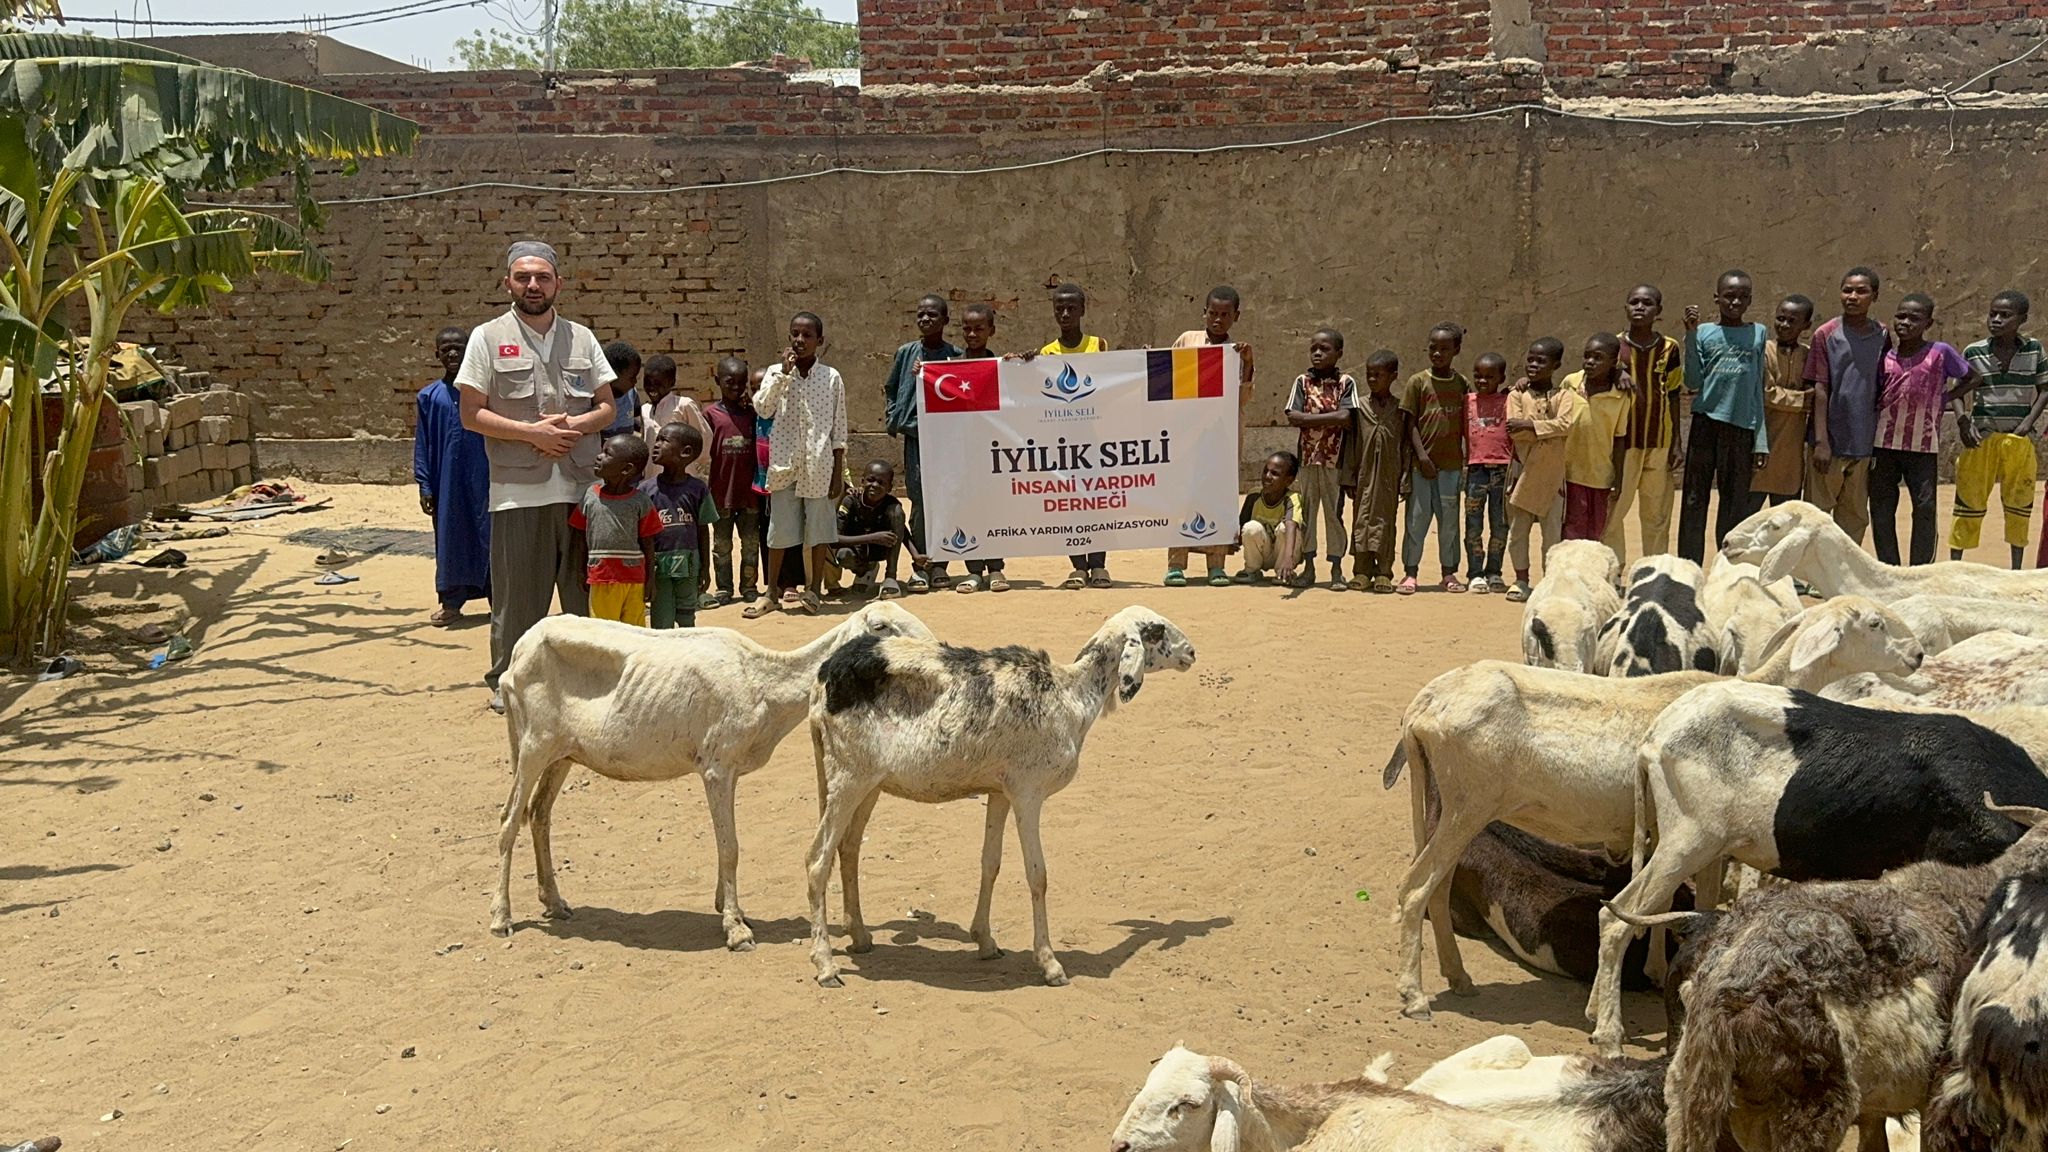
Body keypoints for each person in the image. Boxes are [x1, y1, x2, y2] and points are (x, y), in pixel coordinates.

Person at [456, 239, 619, 713]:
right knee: (517, 599)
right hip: (516, 490)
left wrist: (573, 426)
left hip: (579, 487)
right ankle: (508, 682)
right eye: (523, 277)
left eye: (542, 277)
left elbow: (606, 407)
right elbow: (471, 413)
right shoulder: (487, 338)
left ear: (558, 284)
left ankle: (588, 679)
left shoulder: (582, 338)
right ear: (507, 281)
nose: (533, 285)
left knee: (581, 592)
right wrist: (532, 435)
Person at [747, 311, 847, 618]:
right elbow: (763, 409)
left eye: (807, 335)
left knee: (817, 529)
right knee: (780, 530)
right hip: (784, 464)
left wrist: (838, 473)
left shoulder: (831, 378)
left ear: (820, 341)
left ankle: (813, 590)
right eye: (795, 334)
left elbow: (839, 427)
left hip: (819, 465)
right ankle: (771, 593)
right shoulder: (777, 374)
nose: (800, 341)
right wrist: (782, 375)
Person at [1870, 293, 1974, 567]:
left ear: (1928, 323)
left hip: (1923, 444)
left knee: (1925, 508)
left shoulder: (1940, 353)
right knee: (1881, 508)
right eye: (1901, 316)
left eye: (1914, 319)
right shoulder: (1884, 357)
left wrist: (1946, 399)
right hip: (1883, 444)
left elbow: (1973, 377)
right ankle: (1888, 565)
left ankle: (1921, 568)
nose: (1905, 323)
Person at [1678, 270, 1772, 563]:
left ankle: (1727, 565)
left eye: (1742, 297)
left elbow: (1757, 388)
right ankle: (1689, 564)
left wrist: (1761, 440)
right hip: (1706, 423)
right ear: (1717, 298)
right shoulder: (1703, 332)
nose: (1735, 302)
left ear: (1750, 300)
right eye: (1729, 296)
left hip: (1742, 427)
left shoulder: (1758, 332)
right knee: (1694, 497)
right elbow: (1693, 380)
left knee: (1734, 503)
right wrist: (1691, 334)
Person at [1165, 285, 1256, 586]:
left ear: (1235, 317)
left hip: (1221, 439)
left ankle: (1216, 564)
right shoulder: (1187, 341)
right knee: (1183, 498)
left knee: (1217, 499)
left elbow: (1242, 399)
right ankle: (1176, 564)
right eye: (1213, 313)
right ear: (1204, 313)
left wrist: (1248, 364)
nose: (1217, 320)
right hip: (1187, 438)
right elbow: (1169, 380)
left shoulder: (1237, 353)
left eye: (1224, 315)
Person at [1952, 291, 2048, 568]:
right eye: (1992, 313)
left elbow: (2044, 389)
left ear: (2022, 320)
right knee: (1968, 502)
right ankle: (1957, 567)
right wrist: (1962, 422)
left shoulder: (2034, 350)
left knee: (2019, 504)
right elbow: (1957, 392)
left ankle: (2015, 570)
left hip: (2018, 439)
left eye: (2005, 315)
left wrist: (2027, 423)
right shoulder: (1974, 351)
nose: (1995, 320)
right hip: (1981, 438)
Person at [1034, 282, 1114, 588]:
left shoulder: (1099, 346)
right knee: (1068, 505)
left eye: (1071, 308)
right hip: (1062, 444)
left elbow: (1115, 381)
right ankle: (1078, 566)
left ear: (1083, 310)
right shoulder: (1047, 353)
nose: (1065, 314)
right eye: (1059, 308)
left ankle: (1099, 566)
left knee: (1096, 503)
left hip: (1095, 442)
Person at [1807, 267, 1891, 544]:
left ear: (1874, 296)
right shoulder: (1826, 334)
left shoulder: (1882, 335)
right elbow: (1820, 388)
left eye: (1861, 291)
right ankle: (1810, 575)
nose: (1852, 296)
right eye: (1847, 290)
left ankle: (1843, 574)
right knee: (1816, 514)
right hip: (1830, 441)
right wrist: (1821, 441)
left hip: (1864, 441)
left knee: (1854, 516)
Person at [882, 294, 960, 592]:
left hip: (945, 441)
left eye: (932, 315)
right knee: (919, 500)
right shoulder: (906, 354)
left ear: (945, 320)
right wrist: (895, 414)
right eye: (921, 315)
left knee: (944, 499)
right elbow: (891, 387)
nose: (925, 320)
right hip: (915, 437)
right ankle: (922, 565)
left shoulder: (955, 354)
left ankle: (942, 563)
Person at [415, 325, 490, 627]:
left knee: (490, 536)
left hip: (485, 478)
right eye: (445, 349)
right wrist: (425, 484)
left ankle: (498, 600)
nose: (452, 353)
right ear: (437, 354)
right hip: (446, 483)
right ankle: (451, 602)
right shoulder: (429, 397)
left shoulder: (486, 394)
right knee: (450, 539)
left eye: (459, 347)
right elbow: (423, 443)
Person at [1607, 285, 1685, 562]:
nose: (1640, 307)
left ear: (1658, 311)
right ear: (1626, 308)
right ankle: (1614, 569)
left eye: (1647, 303)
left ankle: (1653, 570)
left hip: (1659, 441)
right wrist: (1617, 371)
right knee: (1615, 509)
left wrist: (1676, 442)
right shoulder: (1614, 347)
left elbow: (1674, 394)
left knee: (1656, 513)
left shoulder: (1670, 348)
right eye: (1634, 302)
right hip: (1624, 442)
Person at [1504, 337, 1582, 602]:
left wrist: (1530, 425)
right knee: (1518, 532)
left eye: (1541, 361)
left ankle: (1549, 583)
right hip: (1522, 474)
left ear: (1556, 365)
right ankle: (1521, 580)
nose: (1533, 365)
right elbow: (1515, 432)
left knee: (1552, 535)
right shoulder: (1516, 395)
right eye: (1530, 359)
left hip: (1552, 475)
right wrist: (1541, 429)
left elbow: (1566, 425)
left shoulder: (1565, 396)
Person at [1285, 327, 1358, 590]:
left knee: (1333, 515)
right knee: (1308, 513)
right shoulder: (1302, 382)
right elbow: (1293, 416)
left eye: (1324, 349)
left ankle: (1337, 568)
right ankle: (1309, 566)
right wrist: (1330, 418)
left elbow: (1347, 417)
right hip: (1307, 460)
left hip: (1333, 461)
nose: (1317, 353)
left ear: (1338, 353)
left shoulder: (1346, 384)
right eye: (1314, 348)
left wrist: (1309, 420)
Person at [1399, 322, 1469, 594]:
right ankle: (1410, 572)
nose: (1437, 354)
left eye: (1444, 349)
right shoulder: (1418, 382)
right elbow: (1410, 423)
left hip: (1451, 466)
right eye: (1433, 348)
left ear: (1456, 350)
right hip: (1422, 466)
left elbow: (1468, 422)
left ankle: (1448, 572)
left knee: (1449, 520)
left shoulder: (1461, 383)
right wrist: (1422, 456)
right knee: (1416, 520)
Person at [570, 433, 661, 627]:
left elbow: (648, 542)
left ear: (626, 469)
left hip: (634, 579)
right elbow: (579, 536)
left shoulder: (640, 501)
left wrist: (650, 579)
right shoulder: (590, 496)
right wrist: (579, 571)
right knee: (604, 632)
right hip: (601, 577)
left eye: (607, 453)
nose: (599, 457)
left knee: (635, 631)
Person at [954, 303, 1012, 594]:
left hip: (994, 452)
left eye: (979, 328)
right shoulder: (949, 367)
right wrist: (921, 372)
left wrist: (1021, 366)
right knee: (967, 511)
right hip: (962, 453)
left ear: (992, 330)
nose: (972, 333)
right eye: (966, 328)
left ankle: (996, 568)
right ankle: (974, 570)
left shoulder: (1002, 365)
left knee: (993, 510)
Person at [639, 422, 717, 629]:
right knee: (661, 622)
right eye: (657, 439)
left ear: (686, 452)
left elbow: (703, 530)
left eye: (664, 440)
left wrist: (705, 569)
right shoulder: (646, 490)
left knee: (686, 618)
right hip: (659, 568)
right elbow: (642, 536)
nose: (656, 445)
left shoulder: (698, 489)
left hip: (689, 565)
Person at [1561, 333, 1633, 542]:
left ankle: (1589, 572)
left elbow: (1620, 438)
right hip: (1570, 473)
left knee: (1595, 531)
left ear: (1613, 362)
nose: (1590, 362)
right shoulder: (1570, 383)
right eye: (1587, 356)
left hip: (1601, 475)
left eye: (1598, 357)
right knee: (1572, 529)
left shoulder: (1620, 395)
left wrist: (1618, 479)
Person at [1749, 294, 1816, 515]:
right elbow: (1766, 393)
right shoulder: (1762, 351)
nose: (1784, 325)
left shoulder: (1807, 355)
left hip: (1791, 451)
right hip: (1763, 443)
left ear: (1806, 325)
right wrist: (1802, 399)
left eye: (1792, 321)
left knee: (1785, 519)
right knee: (1750, 518)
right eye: (1780, 318)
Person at [703, 357, 761, 605]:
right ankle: (724, 588)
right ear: (718, 381)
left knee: (750, 544)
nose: (736, 388)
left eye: (741, 383)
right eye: (730, 382)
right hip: (721, 494)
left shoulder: (752, 414)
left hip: (749, 494)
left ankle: (749, 586)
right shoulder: (710, 415)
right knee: (722, 545)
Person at [1348, 349, 1406, 594]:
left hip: (1389, 477)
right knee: (1361, 520)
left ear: (1393, 376)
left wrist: (1405, 477)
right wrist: (1348, 477)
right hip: (1363, 475)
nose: (1372, 380)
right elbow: (1351, 443)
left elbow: (1405, 445)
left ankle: (1383, 571)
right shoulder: (1359, 406)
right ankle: (1361, 570)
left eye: (1378, 375)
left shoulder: (1400, 408)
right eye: (1369, 375)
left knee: (1385, 521)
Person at [834, 460, 921, 598]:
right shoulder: (850, 501)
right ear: (862, 481)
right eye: (870, 480)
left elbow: (901, 530)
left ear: (890, 488)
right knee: (843, 555)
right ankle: (864, 570)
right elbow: (835, 539)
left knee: (897, 512)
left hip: (882, 550)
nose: (875, 485)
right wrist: (874, 537)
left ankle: (890, 577)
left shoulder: (891, 504)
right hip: (856, 550)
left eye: (881, 483)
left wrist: (915, 555)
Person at [1462, 352, 1511, 593]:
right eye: (1478, 376)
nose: (1482, 381)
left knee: (1500, 525)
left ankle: (1494, 572)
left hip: (1503, 470)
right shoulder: (1467, 401)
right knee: (1473, 525)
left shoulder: (1510, 401)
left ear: (1501, 378)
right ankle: (1475, 573)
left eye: (1489, 377)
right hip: (1476, 471)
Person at [638, 354, 712, 480]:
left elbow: (704, 435)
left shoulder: (683, 405)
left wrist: (691, 462)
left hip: (681, 477)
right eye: (648, 382)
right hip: (652, 477)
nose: (652, 387)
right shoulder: (645, 410)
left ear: (671, 383)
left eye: (658, 383)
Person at [1235, 450, 1305, 585]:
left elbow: (1291, 525)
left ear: (1288, 480)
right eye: (1265, 471)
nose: (1267, 476)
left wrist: (1288, 558)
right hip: (1264, 553)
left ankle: (1283, 571)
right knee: (1251, 527)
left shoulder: (1292, 498)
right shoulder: (1254, 496)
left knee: (1286, 529)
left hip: (1285, 555)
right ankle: (1252, 570)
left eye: (1275, 474)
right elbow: (1241, 526)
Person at [602, 340, 642, 438]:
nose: (635, 382)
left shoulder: (631, 394)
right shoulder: (595, 398)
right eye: (632, 377)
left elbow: (636, 418)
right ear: (613, 374)